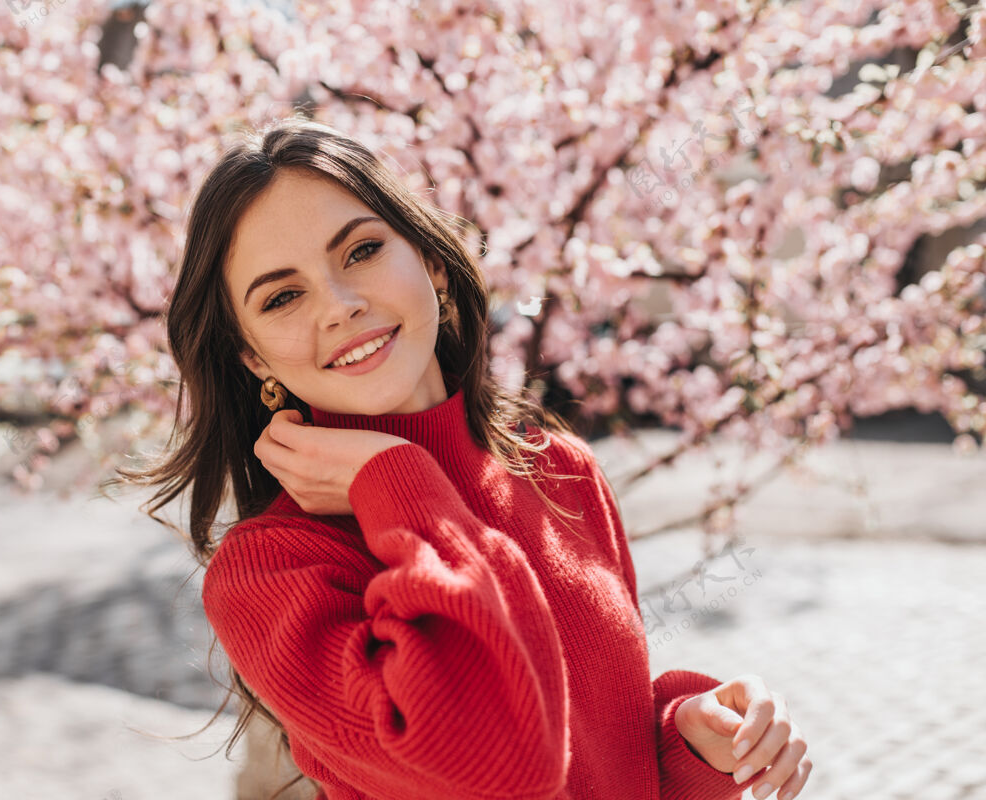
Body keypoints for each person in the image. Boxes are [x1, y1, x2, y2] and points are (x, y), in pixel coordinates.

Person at [111, 115, 812, 800]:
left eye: (360, 251)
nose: (341, 304)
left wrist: (683, 741)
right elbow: (502, 761)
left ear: (434, 263)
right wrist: (395, 480)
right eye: (284, 296)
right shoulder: (273, 573)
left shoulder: (559, 470)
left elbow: (595, 760)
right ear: (252, 355)